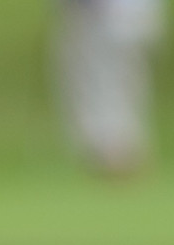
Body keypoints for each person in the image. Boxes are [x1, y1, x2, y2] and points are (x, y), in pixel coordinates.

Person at [54, 0, 166, 179]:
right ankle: (123, 153)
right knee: (126, 83)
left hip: (105, 17)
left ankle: (114, 154)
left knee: (105, 84)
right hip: (131, 17)